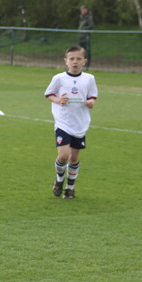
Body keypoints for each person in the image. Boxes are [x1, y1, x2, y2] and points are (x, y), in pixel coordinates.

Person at [45, 45, 98, 199]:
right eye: (72, 59)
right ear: (66, 61)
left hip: (80, 123)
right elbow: (49, 94)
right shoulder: (59, 78)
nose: (75, 62)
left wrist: (91, 102)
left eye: (79, 59)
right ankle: (59, 180)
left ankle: (70, 188)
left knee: (74, 158)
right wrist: (58, 100)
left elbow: (92, 96)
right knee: (63, 156)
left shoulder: (89, 78)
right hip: (63, 122)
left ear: (84, 61)